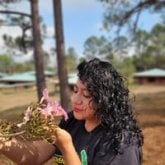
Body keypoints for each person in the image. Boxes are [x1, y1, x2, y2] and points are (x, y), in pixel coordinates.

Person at [0, 58, 143, 165]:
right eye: (75, 90)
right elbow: (33, 156)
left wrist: (66, 146)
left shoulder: (121, 142)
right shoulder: (71, 122)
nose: (76, 100)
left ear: (106, 100)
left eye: (86, 95)